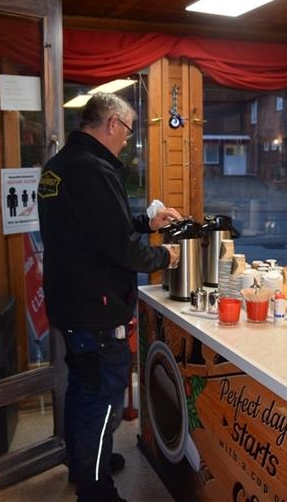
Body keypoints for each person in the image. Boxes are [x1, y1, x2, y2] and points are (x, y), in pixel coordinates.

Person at [38, 93, 181, 502]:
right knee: (101, 401)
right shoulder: (92, 170)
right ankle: (95, 490)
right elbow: (118, 248)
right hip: (96, 308)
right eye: (129, 131)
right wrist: (165, 256)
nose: (127, 140)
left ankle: (83, 463)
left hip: (70, 301)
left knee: (82, 391)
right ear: (113, 124)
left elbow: (92, 230)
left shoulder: (59, 167)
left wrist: (145, 222)